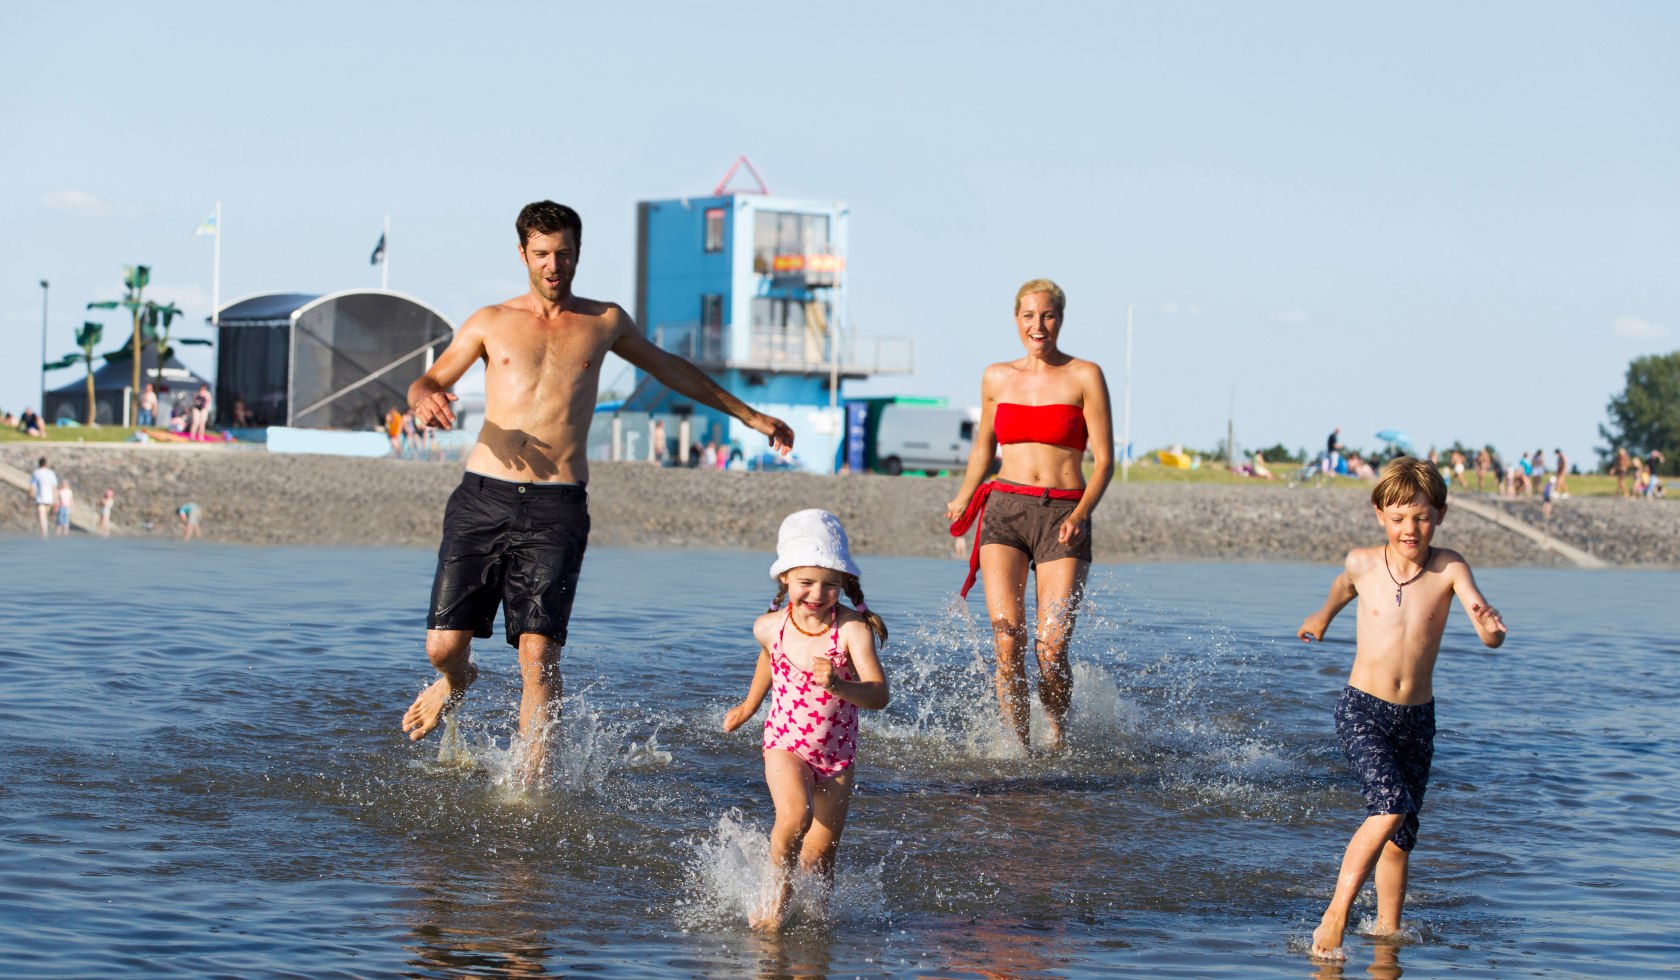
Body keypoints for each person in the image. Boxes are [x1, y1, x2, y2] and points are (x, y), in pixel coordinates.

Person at [399, 200, 795, 787]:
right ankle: (458, 681)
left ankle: (529, 794)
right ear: (522, 255)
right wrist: (422, 395)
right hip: (482, 495)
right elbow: (431, 378)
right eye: (541, 254)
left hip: (557, 505)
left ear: (578, 252)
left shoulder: (604, 321)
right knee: (441, 645)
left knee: (537, 657)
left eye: (564, 253)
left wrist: (750, 415)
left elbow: (670, 370)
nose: (553, 266)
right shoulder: (489, 321)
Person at [1295, 457, 1507, 961]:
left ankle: (1387, 934)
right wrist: (1322, 618)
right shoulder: (1362, 562)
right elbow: (1343, 589)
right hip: (1362, 710)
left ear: (1441, 514)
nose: (1409, 529)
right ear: (1379, 515)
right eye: (1398, 518)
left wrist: (1492, 631)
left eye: (1421, 517)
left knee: (1402, 834)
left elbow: (1483, 621)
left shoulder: (1449, 567)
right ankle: (1337, 914)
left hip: (1417, 718)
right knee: (1389, 807)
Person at [945, 278, 1114, 752]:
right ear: (1016, 319)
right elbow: (984, 447)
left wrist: (1082, 513)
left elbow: (1105, 461)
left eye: (1048, 315)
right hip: (1005, 510)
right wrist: (964, 494)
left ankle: (1057, 733)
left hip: (1065, 512)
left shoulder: (1085, 375)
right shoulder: (996, 377)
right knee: (1007, 640)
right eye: (1028, 316)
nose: (1038, 326)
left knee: (1052, 646)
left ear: (1060, 318)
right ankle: (1018, 747)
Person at [722, 509, 890, 931]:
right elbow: (768, 659)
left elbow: (880, 694)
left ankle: (816, 933)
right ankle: (774, 898)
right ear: (785, 580)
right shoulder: (769, 626)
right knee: (794, 816)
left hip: (837, 757)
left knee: (819, 858)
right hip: (785, 742)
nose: (817, 593)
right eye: (806, 582)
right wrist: (749, 706)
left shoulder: (852, 631)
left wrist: (839, 686)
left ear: (844, 584)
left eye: (830, 584)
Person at [28, 456, 57, 538]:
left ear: (39, 464)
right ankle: (44, 533)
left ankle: (44, 534)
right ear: (46, 464)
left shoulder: (36, 473)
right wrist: (56, 500)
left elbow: (32, 487)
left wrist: (30, 496)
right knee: (43, 515)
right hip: (49, 498)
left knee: (42, 516)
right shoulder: (51, 473)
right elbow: (54, 488)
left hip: (40, 497)